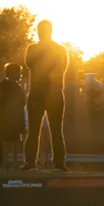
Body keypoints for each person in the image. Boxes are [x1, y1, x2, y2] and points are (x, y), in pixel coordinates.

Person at [23, 20, 69, 170]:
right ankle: (30, 162)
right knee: (34, 129)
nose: (41, 32)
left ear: (50, 31)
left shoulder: (60, 49)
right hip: (38, 93)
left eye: (43, 30)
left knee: (55, 129)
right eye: (40, 30)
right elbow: (29, 63)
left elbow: (61, 68)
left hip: (53, 93)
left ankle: (59, 163)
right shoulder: (34, 48)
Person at [0, 62, 27, 169]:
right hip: (15, 118)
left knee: (5, 141)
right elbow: (23, 102)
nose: (21, 75)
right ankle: (15, 162)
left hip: (3, 118)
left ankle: (5, 162)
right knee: (15, 141)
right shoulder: (17, 88)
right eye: (20, 73)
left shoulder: (2, 85)